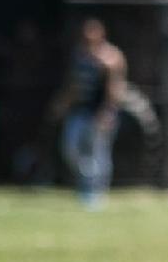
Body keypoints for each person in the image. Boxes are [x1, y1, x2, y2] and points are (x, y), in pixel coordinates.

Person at [51, 17, 126, 205]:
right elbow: (73, 85)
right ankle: (87, 185)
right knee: (70, 148)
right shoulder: (79, 56)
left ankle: (94, 193)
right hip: (79, 111)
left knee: (98, 152)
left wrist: (108, 111)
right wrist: (61, 104)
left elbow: (115, 88)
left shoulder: (111, 58)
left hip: (100, 112)